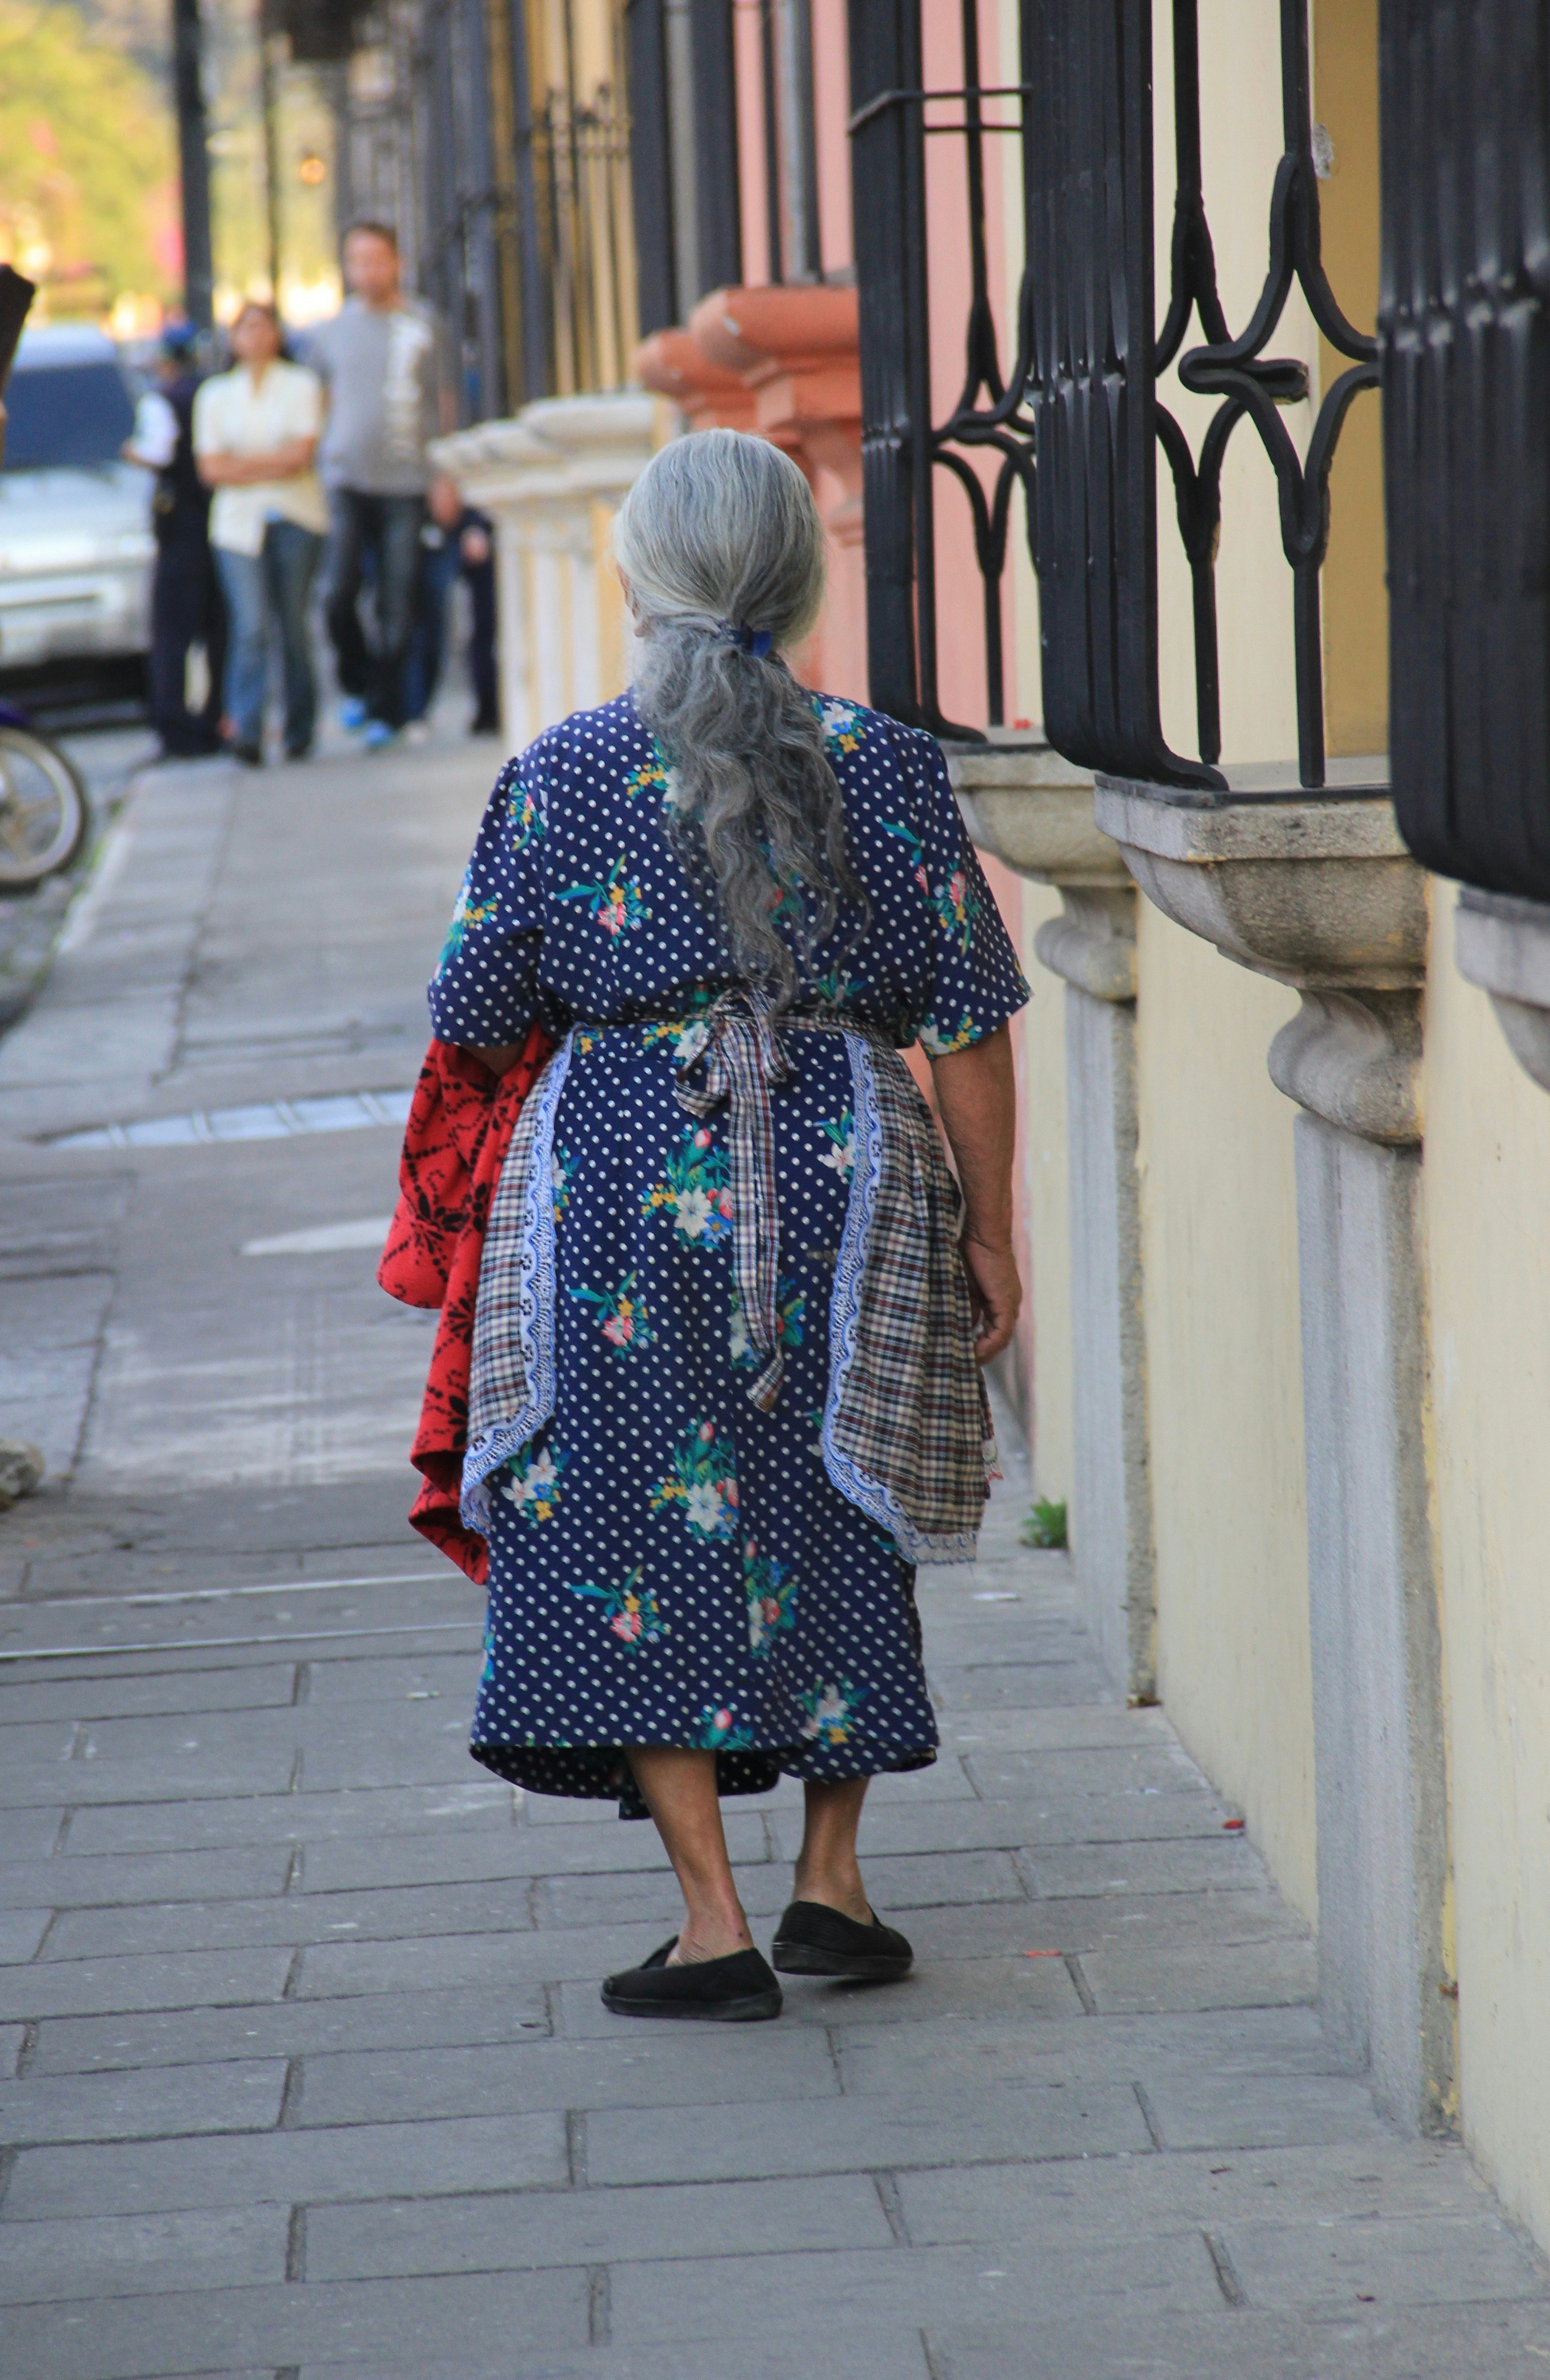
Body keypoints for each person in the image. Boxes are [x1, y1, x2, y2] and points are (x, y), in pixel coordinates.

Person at [427, 428, 1030, 2021]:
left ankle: (714, 1925)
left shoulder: (560, 771)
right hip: (849, 1154)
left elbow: (478, 1007)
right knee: (846, 1491)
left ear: (636, 579)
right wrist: (990, 1230)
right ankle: (833, 1880)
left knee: (630, 1514)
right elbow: (967, 1022)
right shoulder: (887, 761)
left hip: (618, 1171)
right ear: (799, 578)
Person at [307, 221, 443, 751]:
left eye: (377, 259)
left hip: (407, 482)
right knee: (336, 594)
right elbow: (319, 402)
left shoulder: (424, 324)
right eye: (357, 260)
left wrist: (445, 476)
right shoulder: (330, 333)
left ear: (397, 263)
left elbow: (444, 400)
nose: (368, 270)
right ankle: (357, 685)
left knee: (398, 602)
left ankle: (388, 710)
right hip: (345, 479)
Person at [193, 304, 328, 766]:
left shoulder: (301, 385)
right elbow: (211, 467)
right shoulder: (216, 394)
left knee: (293, 624)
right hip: (237, 525)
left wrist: (242, 466)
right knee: (250, 626)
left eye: (263, 327)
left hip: (295, 515)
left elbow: (301, 456)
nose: (255, 337)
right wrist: (269, 464)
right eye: (245, 329)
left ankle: (299, 727)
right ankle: (246, 729)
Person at [124, 321, 227, 760]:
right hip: (215, 521)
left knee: (171, 634)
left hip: (180, 524)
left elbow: (159, 452)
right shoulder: (214, 394)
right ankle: (214, 719)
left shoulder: (162, 401)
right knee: (218, 629)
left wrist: (132, 451)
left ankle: (174, 726)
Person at [404, 471, 497, 743]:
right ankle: (416, 711)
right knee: (425, 636)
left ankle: (488, 710)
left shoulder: (474, 522)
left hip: (471, 571)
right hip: (435, 568)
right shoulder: (420, 523)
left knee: (481, 635)